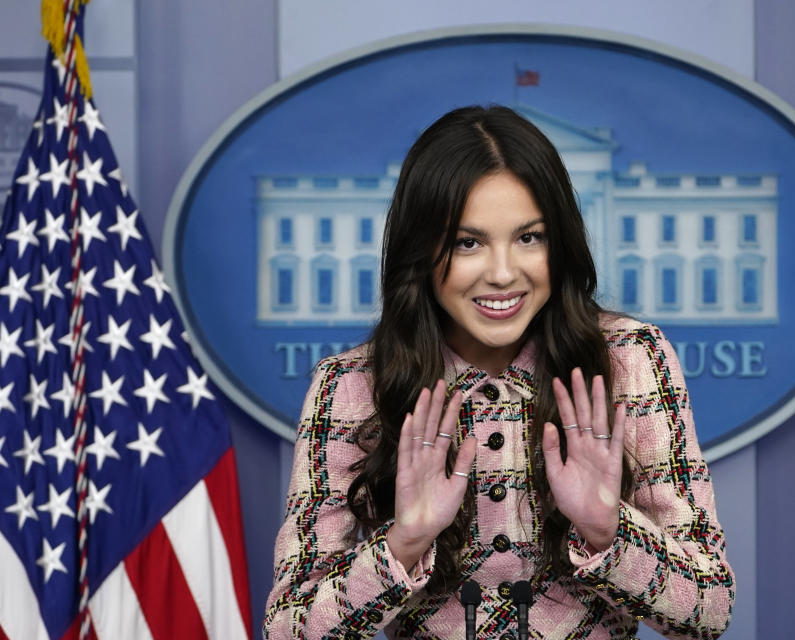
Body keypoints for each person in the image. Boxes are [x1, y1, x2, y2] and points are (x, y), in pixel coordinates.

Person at [263, 105, 735, 639]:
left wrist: (608, 530)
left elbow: (709, 611)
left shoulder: (629, 358)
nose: (504, 273)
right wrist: (406, 541)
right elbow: (289, 630)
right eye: (469, 243)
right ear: (421, 252)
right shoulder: (350, 386)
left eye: (529, 238)